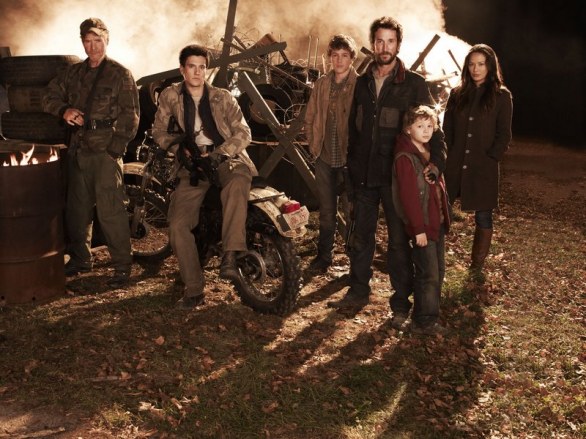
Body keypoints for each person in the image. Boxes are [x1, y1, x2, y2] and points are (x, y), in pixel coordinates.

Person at [328, 16, 447, 327]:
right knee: (361, 236)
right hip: (364, 175)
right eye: (379, 41)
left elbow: (434, 130)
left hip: (396, 179)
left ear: (398, 45)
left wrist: (436, 163)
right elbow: (355, 128)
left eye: (390, 41)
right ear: (373, 43)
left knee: (397, 243)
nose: (384, 47)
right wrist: (351, 166)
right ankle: (358, 290)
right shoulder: (363, 82)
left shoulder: (413, 84)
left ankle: (400, 303)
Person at [152, 44, 257, 309]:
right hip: (193, 167)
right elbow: (158, 131)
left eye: (202, 67)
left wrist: (221, 154)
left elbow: (244, 132)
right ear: (182, 69)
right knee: (178, 226)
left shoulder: (223, 97)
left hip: (226, 158)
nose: (197, 72)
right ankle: (194, 289)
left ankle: (230, 256)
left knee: (238, 181)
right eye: (192, 66)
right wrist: (177, 148)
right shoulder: (170, 96)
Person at [43, 18, 140, 288]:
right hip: (79, 150)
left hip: (105, 151)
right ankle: (81, 259)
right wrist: (64, 110)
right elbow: (48, 96)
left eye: (98, 40)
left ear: (106, 40)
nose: (93, 46)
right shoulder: (73, 73)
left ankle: (122, 266)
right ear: (82, 42)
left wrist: (114, 150)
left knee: (111, 211)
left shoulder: (120, 74)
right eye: (88, 41)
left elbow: (131, 116)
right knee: (77, 211)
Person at [442, 44, 513, 281]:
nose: (476, 69)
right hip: (454, 163)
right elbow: (447, 129)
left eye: (481, 64)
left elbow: (504, 134)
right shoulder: (457, 94)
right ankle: (432, 257)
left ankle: (476, 266)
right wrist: (446, 156)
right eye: (471, 64)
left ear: (490, 66)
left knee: (483, 216)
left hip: (483, 166)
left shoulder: (502, 96)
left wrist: (492, 157)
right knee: (440, 210)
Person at [392, 106, 450, 334]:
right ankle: (424, 320)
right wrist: (418, 229)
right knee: (428, 274)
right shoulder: (405, 158)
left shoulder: (430, 153)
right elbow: (409, 198)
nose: (426, 131)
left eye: (429, 126)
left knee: (438, 271)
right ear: (408, 129)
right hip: (423, 227)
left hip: (437, 222)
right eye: (420, 126)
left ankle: (428, 313)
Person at [304, 34, 358, 272]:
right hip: (325, 158)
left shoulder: (360, 85)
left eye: (344, 55)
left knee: (353, 212)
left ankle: (356, 260)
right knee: (326, 212)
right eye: (335, 55)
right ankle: (324, 256)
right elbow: (310, 117)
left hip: (350, 160)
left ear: (352, 58)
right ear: (329, 58)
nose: (339, 60)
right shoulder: (322, 84)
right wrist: (313, 145)